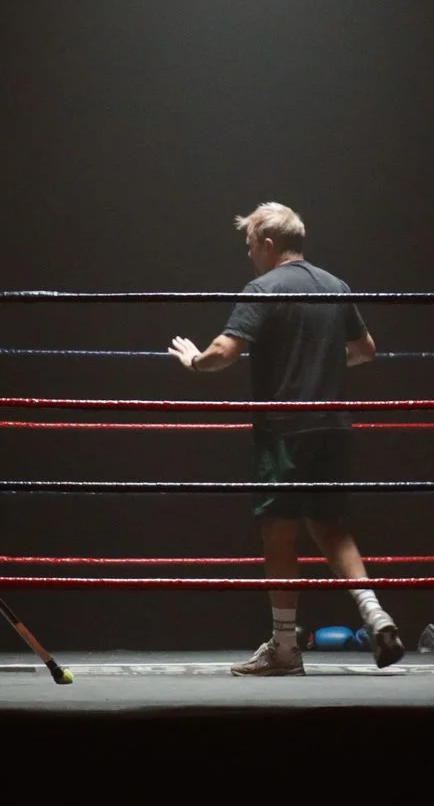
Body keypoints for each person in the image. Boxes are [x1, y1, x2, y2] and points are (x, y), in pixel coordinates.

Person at [169, 202, 403, 674]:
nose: (249, 254)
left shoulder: (265, 287)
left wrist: (194, 361)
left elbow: (224, 351)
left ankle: (284, 649)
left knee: (279, 535)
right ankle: (376, 615)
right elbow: (365, 351)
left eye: (251, 244)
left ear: (269, 244)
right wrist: (323, 363)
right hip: (332, 428)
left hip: (284, 429)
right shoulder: (335, 285)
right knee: (331, 527)